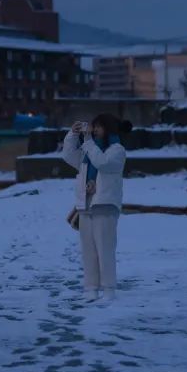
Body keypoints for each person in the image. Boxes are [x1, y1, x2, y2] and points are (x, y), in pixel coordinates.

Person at [62, 113, 132, 304]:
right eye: (94, 127)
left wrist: (88, 141)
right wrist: (72, 135)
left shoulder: (117, 150)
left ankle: (109, 290)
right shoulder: (88, 150)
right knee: (89, 251)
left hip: (105, 205)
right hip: (86, 204)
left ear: (108, 128)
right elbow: (68, 156)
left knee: (105, 250)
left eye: (98, 127)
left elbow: (103, 162)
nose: (94, 130)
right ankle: (90, 289)